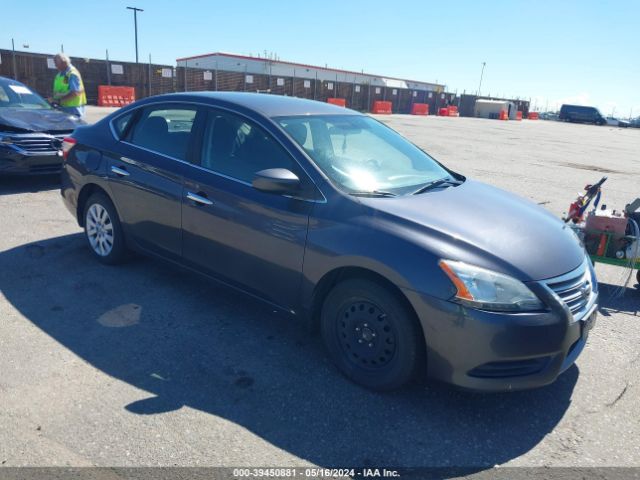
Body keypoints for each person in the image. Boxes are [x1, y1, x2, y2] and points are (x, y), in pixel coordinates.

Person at [51, 53, 86, 118]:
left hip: (73, 110)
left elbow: (75, 93)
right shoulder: (59, 75)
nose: (55, 65)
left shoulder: (72, 74)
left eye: (56, 63)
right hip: (62, 109)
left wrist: (59, 101)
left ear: (64, 62)